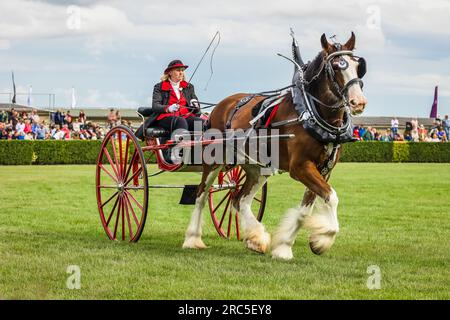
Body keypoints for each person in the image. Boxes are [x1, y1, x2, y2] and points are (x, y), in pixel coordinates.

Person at [135, 59, 203, 140]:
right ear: (170, 72)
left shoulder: (188, 86)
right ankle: (176, 149)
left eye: (182, 70)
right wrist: (168, 108)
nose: (181, 73)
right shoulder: (159, 87)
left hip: (185, 115)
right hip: (166, 117)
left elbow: (195, 105)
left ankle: (197, 149)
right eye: (178, 70)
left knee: (199, 122)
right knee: (181, 122)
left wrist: (195, 104)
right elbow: (155, 106)